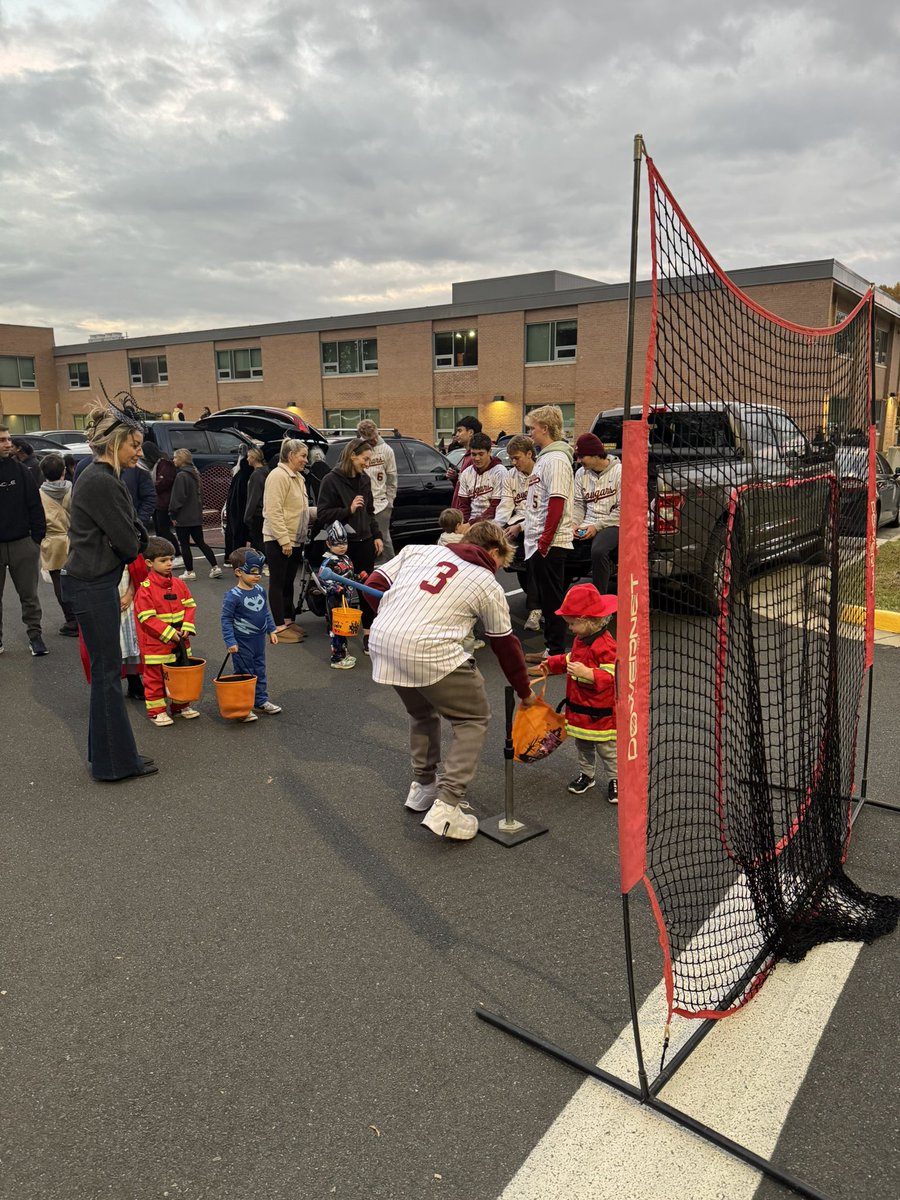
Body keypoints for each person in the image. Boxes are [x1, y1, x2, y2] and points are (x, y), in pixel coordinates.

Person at [364, 521, 537, 841]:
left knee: (421, 713)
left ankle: (423, 786)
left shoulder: (417, 550)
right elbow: (505, 644)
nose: (499, 569)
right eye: (502, 561)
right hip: (429, 649)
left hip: (384, 641)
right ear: (495, 551)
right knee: (472, 718)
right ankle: (447, 805)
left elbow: (375, 581)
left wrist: (393, 617)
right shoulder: (486, 581)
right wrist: (524, 691)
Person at [61, 400, 154, 781]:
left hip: (89, 583)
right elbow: (132, 544)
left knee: (105, 673)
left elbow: (129, 535)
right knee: (106, 675)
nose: (139, 451)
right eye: (134, 444)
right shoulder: (102, 479)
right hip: (92, 584)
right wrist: (133, 537)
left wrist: (131, 535)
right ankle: (115, 763)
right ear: (115, 443)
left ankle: (110, 757)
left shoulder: (97, 474)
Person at [531, 584, 618, 803]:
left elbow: (612, 677)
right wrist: (551, 664)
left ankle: (616, 779)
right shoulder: (581, 640)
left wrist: (588, 673)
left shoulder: (606, 645)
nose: (569, 629)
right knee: (582, 745)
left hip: (600, 712)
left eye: (572, 623)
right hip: (579, 707)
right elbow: (572, 659)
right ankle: (587, 775)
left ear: (589, 620)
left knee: (607, 749)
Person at [312, 438, 383, 649]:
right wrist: (348, 510)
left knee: (367, 587)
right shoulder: (330, 480)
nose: (367, 464)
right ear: (352, 455)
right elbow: (323, 514)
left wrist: (376, 534)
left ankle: (368, 634)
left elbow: (369, 512)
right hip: (343, 544)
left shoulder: (364, 479)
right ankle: (338, 641)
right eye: (365, 459)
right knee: (340, 591)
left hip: (365, 541)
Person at [522, 404, 574, 664]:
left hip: (551, 542)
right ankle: (549, 648)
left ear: (545, 428)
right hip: (538, 540)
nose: (530, 432)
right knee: (546, 598)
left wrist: (545, 540)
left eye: (533, 427)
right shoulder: (545, 457)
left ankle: (556, 654)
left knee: (553, 599)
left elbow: (557, 501)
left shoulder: (557, 459)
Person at [134, 536, 199, 726]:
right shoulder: (145, 590)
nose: (169, 564)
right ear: (149, 563)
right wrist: (170, 633)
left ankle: (180, 706)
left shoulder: (180, 584)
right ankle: (156, 711)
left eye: (170, 559)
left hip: (180, 643)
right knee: (155, 679)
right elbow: (147, 618)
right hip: (156, 646)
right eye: (163, 560)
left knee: (180, 676)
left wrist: (187, 627)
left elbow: (190, 606)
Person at [0, 423, 47, 656]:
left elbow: (35, 506)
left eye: (8, 439)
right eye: (2, 440)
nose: (8, 444)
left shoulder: (21, 471)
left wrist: (36, 539)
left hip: (23, 544)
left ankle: (35, 637)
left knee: (29, 595)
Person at [221, 547, 280, 719]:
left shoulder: (260, 590)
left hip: (258, 640)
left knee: (260, 670)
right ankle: (242, 707)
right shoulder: (232, 596)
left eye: (259, 571)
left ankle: (260, 699)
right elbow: (226, 620)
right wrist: (230, 641)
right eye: (253, 572)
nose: (257, 575)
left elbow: (265, 611)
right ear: (238, 572)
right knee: (244, 673)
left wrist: (272, 629)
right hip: (242, 642)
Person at [262, 438, 310, 641]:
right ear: (291, 456)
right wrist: (283, 540)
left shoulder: (297, 477)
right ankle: (278, 626)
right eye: (303, 456)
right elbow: (274, 511)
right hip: (279, 539)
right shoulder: (277, 476)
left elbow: (299, 509)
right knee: (278, 582)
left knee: (289, 582)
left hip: (295, 538)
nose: (306, 460)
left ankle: (288, 619)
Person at [497, 434, 541, 631]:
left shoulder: (541, 472)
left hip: (538, 522)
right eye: (511, 459)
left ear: (529, 454)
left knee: (531, 557)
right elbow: (506, 504)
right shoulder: (510, 476)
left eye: (517, 458)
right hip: (518, 522)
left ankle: (536, 608)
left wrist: (520, 527)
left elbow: (540, 510)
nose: (513, 463)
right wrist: (496, 527)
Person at [572, 432, 621, 595]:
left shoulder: (620, 472)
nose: (578, 461)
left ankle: (601, 601)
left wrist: (597, 526)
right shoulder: (581, 473)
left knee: (599, 551)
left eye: (581, 456)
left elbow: (623, 510)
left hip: (613, 523)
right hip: (587, 522)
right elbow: (578, 504)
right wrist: (574, 523)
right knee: (557, 543)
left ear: (595, 454)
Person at [318, 521, 369, 670]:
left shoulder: (346, 559)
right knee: (337, 629)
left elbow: (350, 577)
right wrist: (335, 588)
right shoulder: (328, 562)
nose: (341, 546)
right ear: (328, 543)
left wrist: (359, 577)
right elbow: (323, 580)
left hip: (346, 597)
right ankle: (337, 657)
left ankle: (344, 653)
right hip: (335, 599)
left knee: (344, 628)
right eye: (337, 543)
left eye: (344, 542)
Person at [37, 453, 78, 635]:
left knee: (59, 583)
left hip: (52, 541)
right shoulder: (73, 489)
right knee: (80, 580)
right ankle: (83, 616)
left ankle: (71, 620)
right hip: (75, 538)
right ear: (63, 471)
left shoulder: (39, 494)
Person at [169, 448, 220, 580]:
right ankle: (215, 567)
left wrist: (173, 514)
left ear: (181, 459)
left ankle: (190, 571)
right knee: (201, 542)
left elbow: (177, 498)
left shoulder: (181, 476)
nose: (173, 460)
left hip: (183, 516)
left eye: (175, 457)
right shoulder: (195, 473)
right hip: (196, 515)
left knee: (184, 544)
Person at [357, 419, 398, 560]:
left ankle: (392, 567)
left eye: (374, 438)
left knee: (383, 537)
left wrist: (390, 501)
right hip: (362, 502)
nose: (373, 441)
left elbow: (392, 478)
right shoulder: (357, 450)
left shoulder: (386, 450)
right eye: (369, 440)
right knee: (365, 538)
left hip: (381, 503)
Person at [456, 432, 506, 524]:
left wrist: (471, 525)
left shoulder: (500, 472)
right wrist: (464, 524)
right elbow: (464, 506)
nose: (477, 458)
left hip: (492, 524)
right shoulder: (466, 473)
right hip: (470, 523)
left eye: (481, 454)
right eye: (474, 454)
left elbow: (496, 507)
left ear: (489, 452)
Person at [448, 415, 483, 496]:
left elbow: (473, 490)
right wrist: (455, 478)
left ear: (470, 432)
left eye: (459, 431)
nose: (456, 434)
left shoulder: (475, 458)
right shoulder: (467, 455)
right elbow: (464, 486)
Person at [243, 447, 269, 553]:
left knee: (258, 542)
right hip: (265, 512)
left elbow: (253, 497)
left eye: (249, 456)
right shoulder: (267, 471)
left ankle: (264, 563)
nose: (247, 459)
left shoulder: (256, 475)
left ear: (253, 458)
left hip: (257, 514)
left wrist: (247, 516)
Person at [122, 458, 157, 528]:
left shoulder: (138, 467)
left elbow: (150, 497)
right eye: (135, 446)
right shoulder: (97, 469)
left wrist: (139, 522)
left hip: (131, 528)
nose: (140, 453)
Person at [152, 449, 177, 540]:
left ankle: (176, 550)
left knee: (163, 530)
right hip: (158, 502)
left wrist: (151, 489)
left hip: (163, 502)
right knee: (159, 530)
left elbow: (163, 482)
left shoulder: (165, 465)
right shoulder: (157, 465)